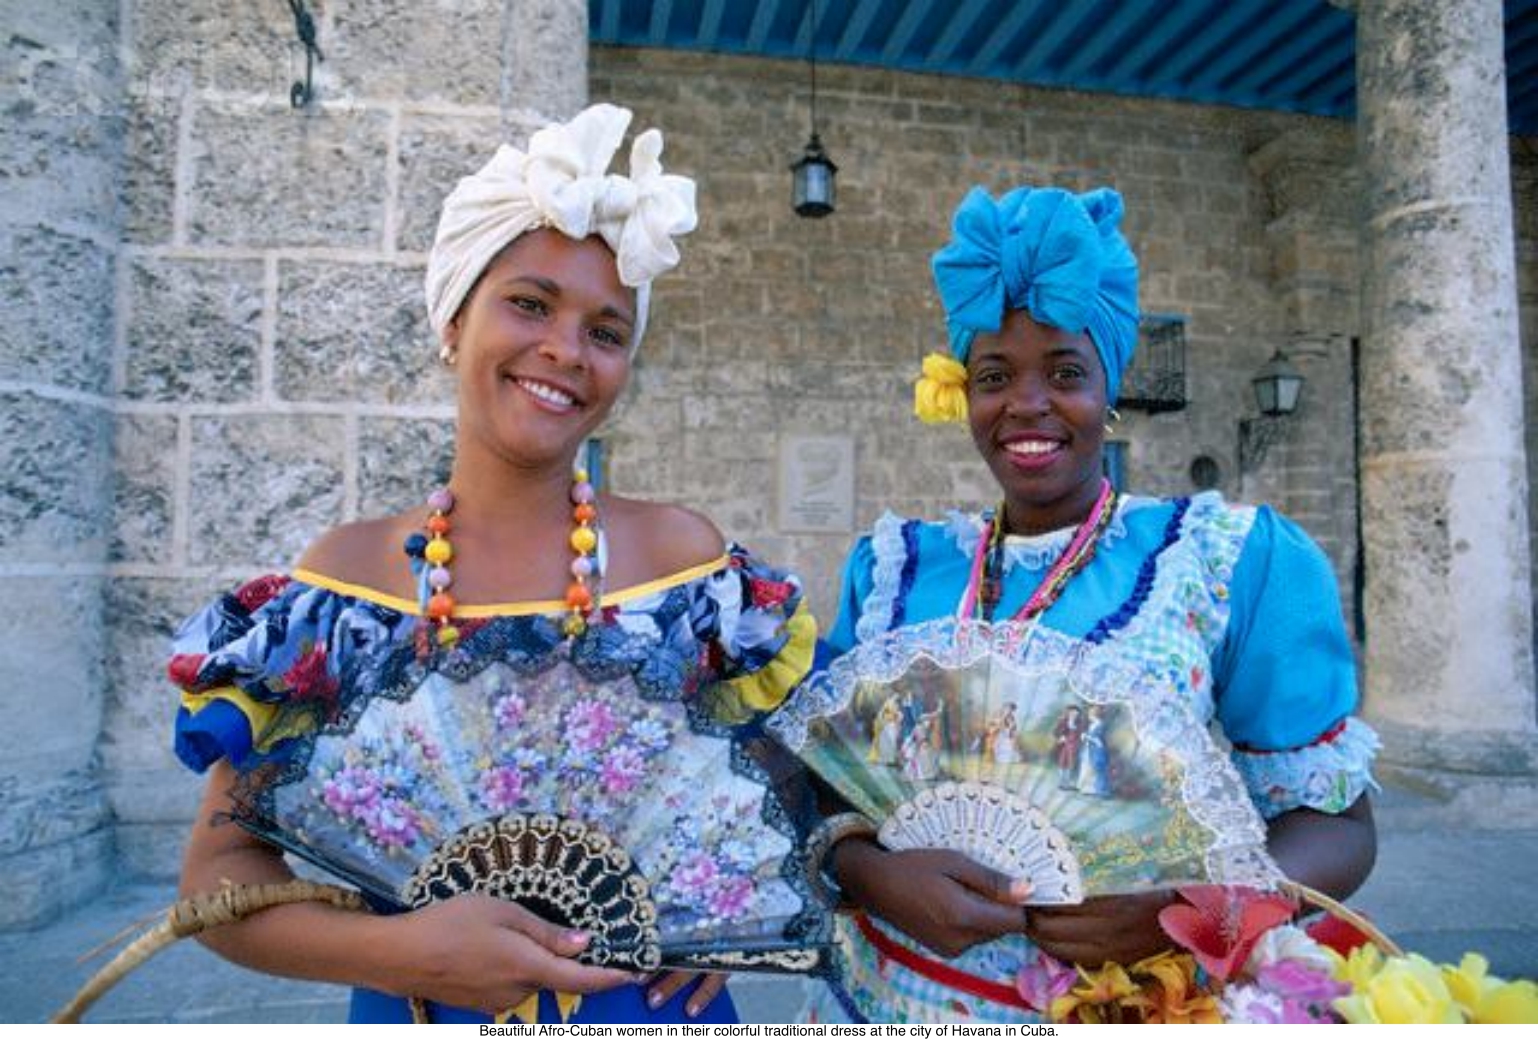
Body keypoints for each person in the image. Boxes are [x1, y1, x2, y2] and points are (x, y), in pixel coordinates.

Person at [168, 104, 816, 1025]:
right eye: (529, 303)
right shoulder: (341, 589)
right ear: (453, 317)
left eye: (606, 329)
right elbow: (215, 881)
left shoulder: (687, 569)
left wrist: (734, 911)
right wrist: (400, 951)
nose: (564, 350)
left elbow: (778, 782)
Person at [804, 185, 1378, 1023]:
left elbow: (1338, 828)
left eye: (1066, 374)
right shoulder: (894, 570)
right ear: (962, 395)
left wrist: (1194, 912)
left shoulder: (1224, 563)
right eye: (995, 376)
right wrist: (867, 871)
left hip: (1112, 1008)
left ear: (1109, 388)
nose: (1028, 404)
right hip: (879, 1001)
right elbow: (832, 787)